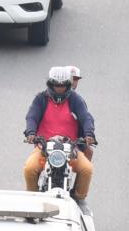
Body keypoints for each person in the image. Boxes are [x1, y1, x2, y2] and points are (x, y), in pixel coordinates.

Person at [23, 66, 96, 200]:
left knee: (87, 169)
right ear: (50, 84)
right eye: (56, 85)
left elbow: (85, 117)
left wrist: (89, 134)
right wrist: (31, 133)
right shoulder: (40, 99)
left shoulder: (76, 100)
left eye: (63, 86)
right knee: (29, 169)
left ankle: (79, 199)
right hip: (44, 148)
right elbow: (31, 117)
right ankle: (32, 198)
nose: (60, 88)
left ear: (68, 85)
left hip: (70, 149)